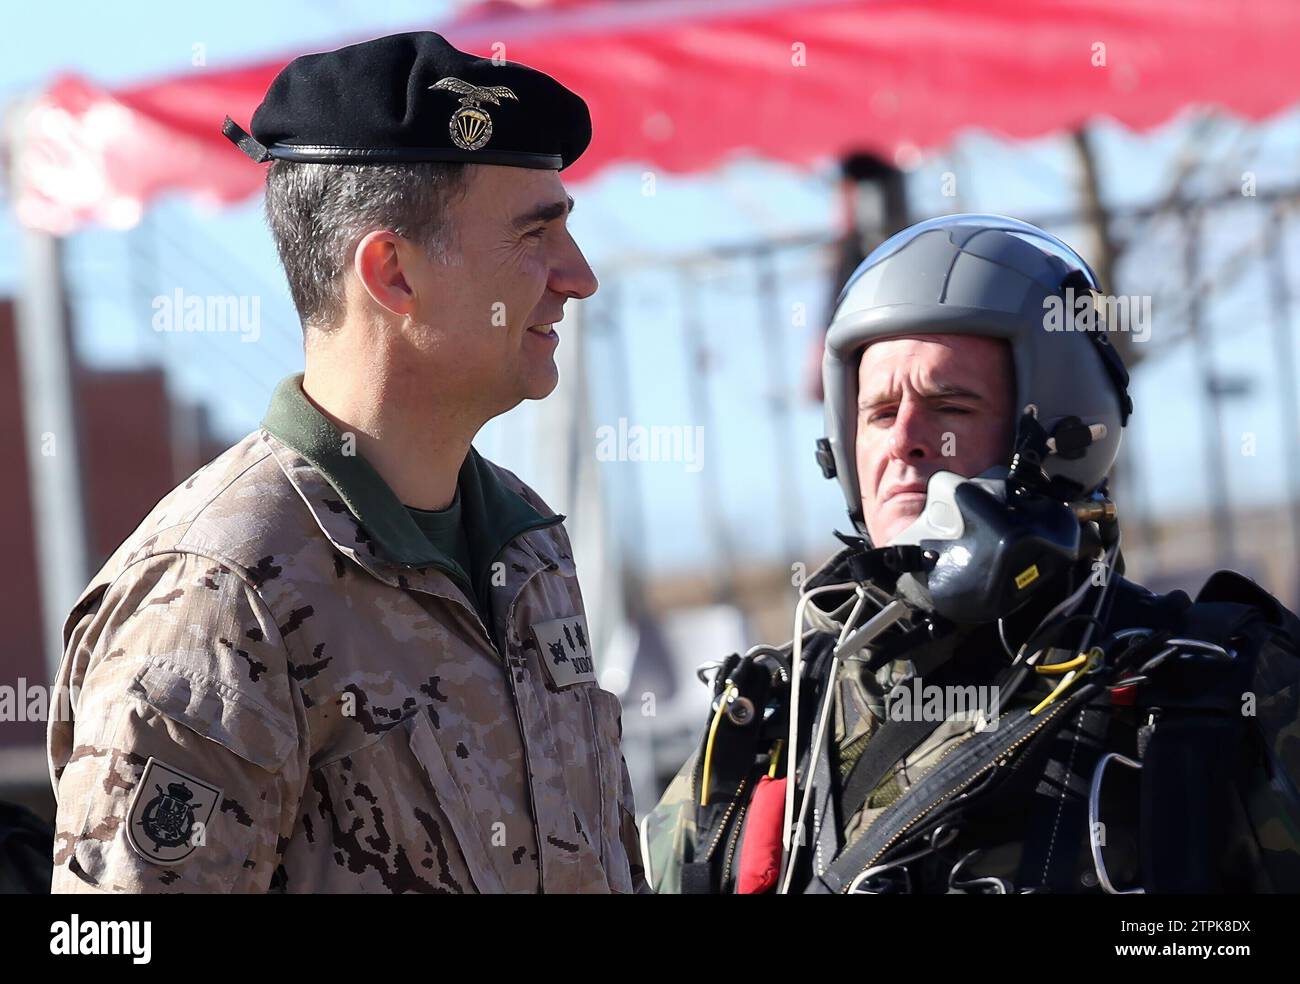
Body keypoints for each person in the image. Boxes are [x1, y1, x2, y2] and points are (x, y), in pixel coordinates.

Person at [47, 31, 646, 894]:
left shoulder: (527, 545)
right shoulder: (217, 592)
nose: (577, 276)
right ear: (393, 273)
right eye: (534, 233)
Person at [644, 213, 1300, 894]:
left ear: (1059, 434)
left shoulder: (1214, 690)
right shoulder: (766, 726)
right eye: (877, 413)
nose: (904, 440)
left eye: (949, 405)